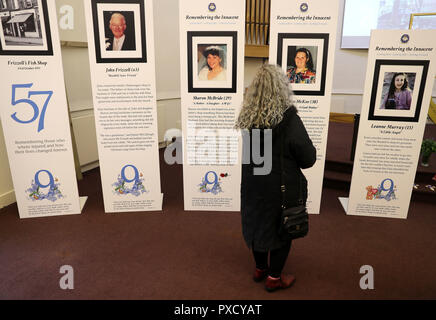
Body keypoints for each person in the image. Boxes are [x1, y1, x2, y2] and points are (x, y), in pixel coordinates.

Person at [235, 64, 316, 292]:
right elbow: (308, 158)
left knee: (258, 224)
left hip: (253, 184)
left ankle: (260, 268)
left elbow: (253, 157)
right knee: (282, 229)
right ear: (282, 88)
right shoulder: (289, 120)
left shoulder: (248, 117)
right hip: (280, 186)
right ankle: (274, 278)